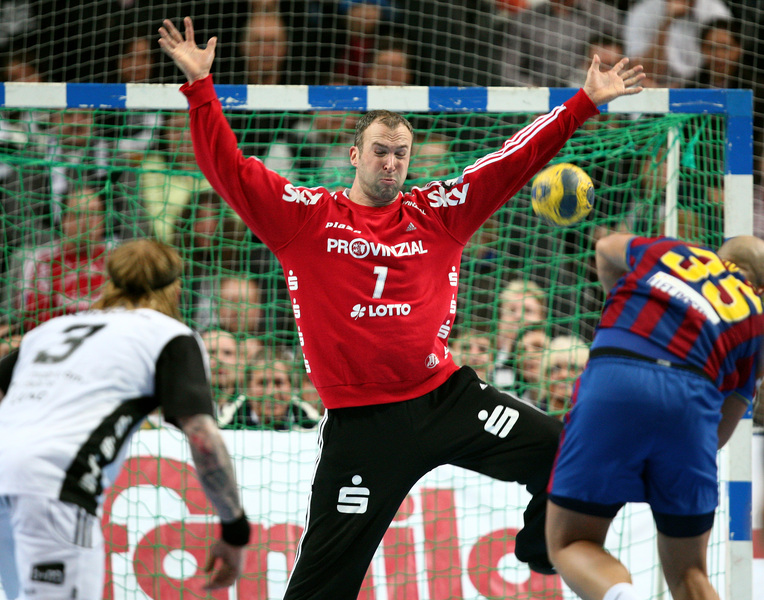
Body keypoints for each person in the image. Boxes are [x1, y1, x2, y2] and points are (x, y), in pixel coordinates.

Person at [158, 16, 644, 598]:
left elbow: (512, 159)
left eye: (400, 154)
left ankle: (541, 549)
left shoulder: (439, 211)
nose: (390, 163)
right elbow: (229, 170)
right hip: (362, 425)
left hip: (446, 399)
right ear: (354, 154)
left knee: (567, 451)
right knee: (321, 585)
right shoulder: (306, 218)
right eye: (380, 151)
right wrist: (200, 88)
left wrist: (582, 103)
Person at [0, 238, 250, 599]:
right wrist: (235, 527)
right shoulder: (170, 336)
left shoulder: (51, 330)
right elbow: (201, 435)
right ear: (175, 288)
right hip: (51, 485)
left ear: (110, 282)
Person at [545, 233, 764, 600]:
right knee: (689, 573)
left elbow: (604, 248)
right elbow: (720, 434)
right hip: (692, 401)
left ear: (716, 256)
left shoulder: (674, 251)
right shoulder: (757, 318)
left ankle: (622, 595)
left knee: (571, 542)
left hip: (617, 374)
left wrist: (618, 304)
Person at [624, 0, 731, 88]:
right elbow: (642, 71)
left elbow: (726, 64)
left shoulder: (716, 11)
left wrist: (683, 87)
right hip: (654, 88)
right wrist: (667, 21)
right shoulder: (643, 11)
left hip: (703, 87)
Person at [245, 346, 320, 430]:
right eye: (262, 383)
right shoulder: (233, 420)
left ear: (291, 387)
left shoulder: (314, 426)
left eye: (279, 383)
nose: (271, 392)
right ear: (248, 388)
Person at [201, 328, 250, 428]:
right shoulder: (182, 407)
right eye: (211, 352)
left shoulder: (252, 409)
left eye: (227, 353)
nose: (219, 359)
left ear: (241, 361)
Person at [539, 334, 589, 418]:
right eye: (556, 368)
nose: (563, 375)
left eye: (573, 368)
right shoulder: (532, 416)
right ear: (545, 375)